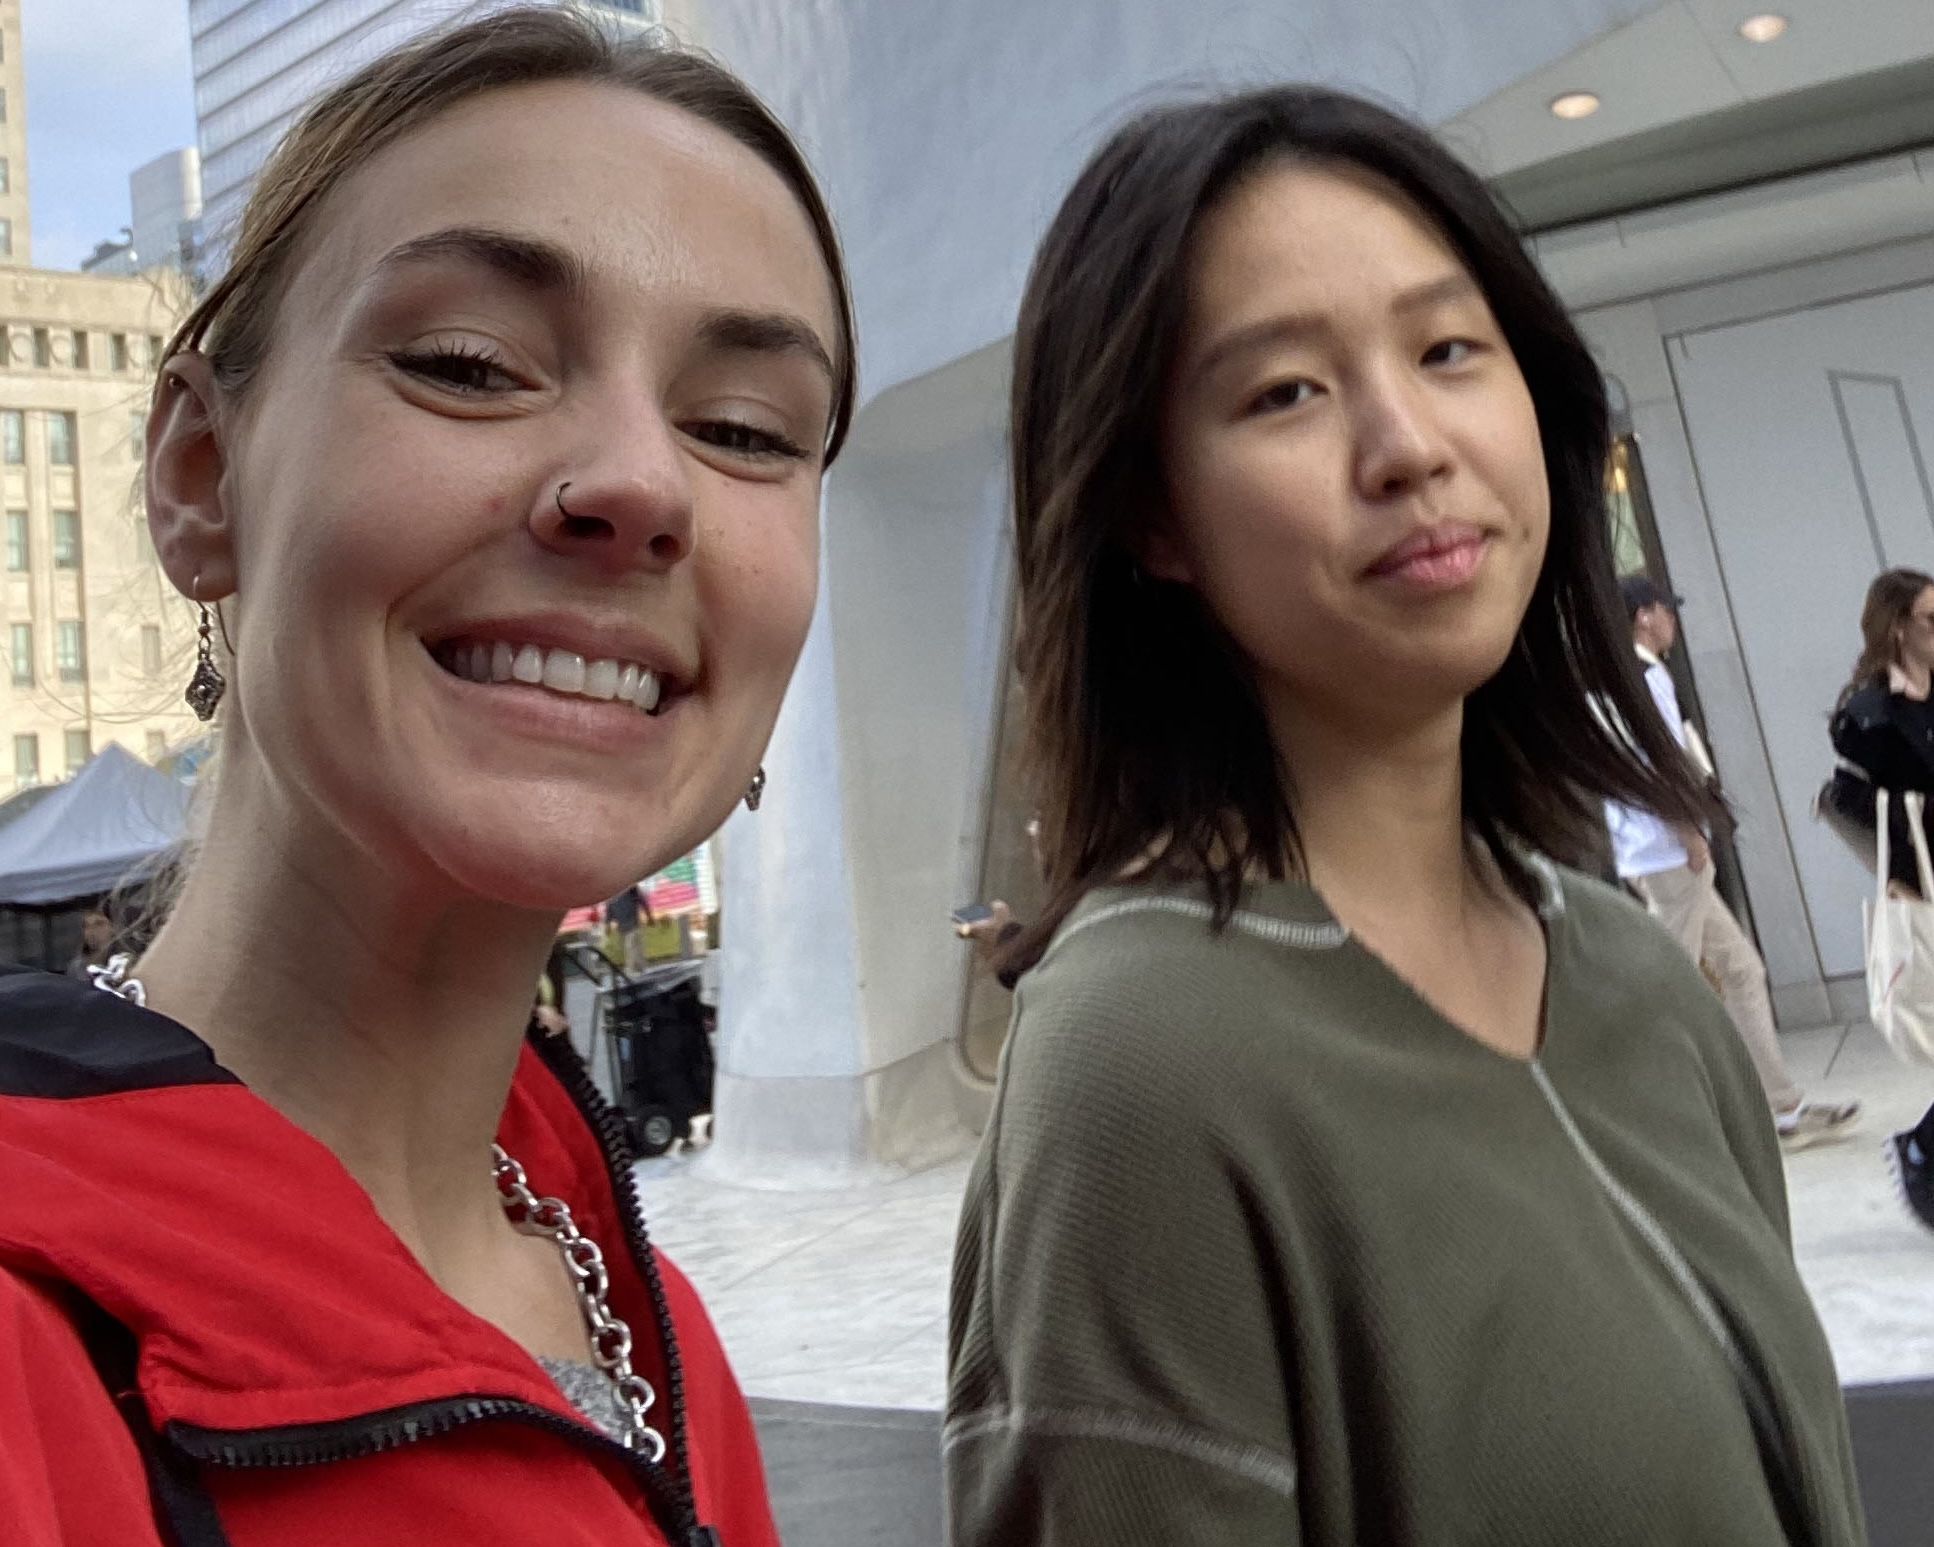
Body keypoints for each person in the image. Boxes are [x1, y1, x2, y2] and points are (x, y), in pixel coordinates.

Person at [947, 87, 1866, 1546]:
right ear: (1151, 514)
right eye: (1283, 392)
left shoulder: (1634, 981)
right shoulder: (1140, 1067)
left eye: (1446, 350)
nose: (1407, 443)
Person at [0, 9, 855, 1546]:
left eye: (743, 429)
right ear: (199, 472)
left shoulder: (653, 1332)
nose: (639, 483)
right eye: (469, 365)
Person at [1606, 574, 1859, 1150]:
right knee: (1667, 987)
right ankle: (1653, 1119)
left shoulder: (1614, 678)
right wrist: (1689, 831)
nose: (1672, 620)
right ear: (1644, 616)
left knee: (1740, 970)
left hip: (1651, 850)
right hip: (1667, 851)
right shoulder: (1646, 677)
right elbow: (1661, 762)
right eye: (1665, 609)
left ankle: (1781, 1108)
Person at [1828, 566, 1934, 1231]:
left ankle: (1921, 1147)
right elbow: (1847, 799)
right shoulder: (1869, 715)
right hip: (1925, 884)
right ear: (1898, 628)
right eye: (1932, 619)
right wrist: (1911, 820)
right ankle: (1920, 1149)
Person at [62, 906, 116, 981]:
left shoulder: (123, 960)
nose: (91, 930)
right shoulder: (76, 967)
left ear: (113, 927)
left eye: (99, 924)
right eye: (86, 926)